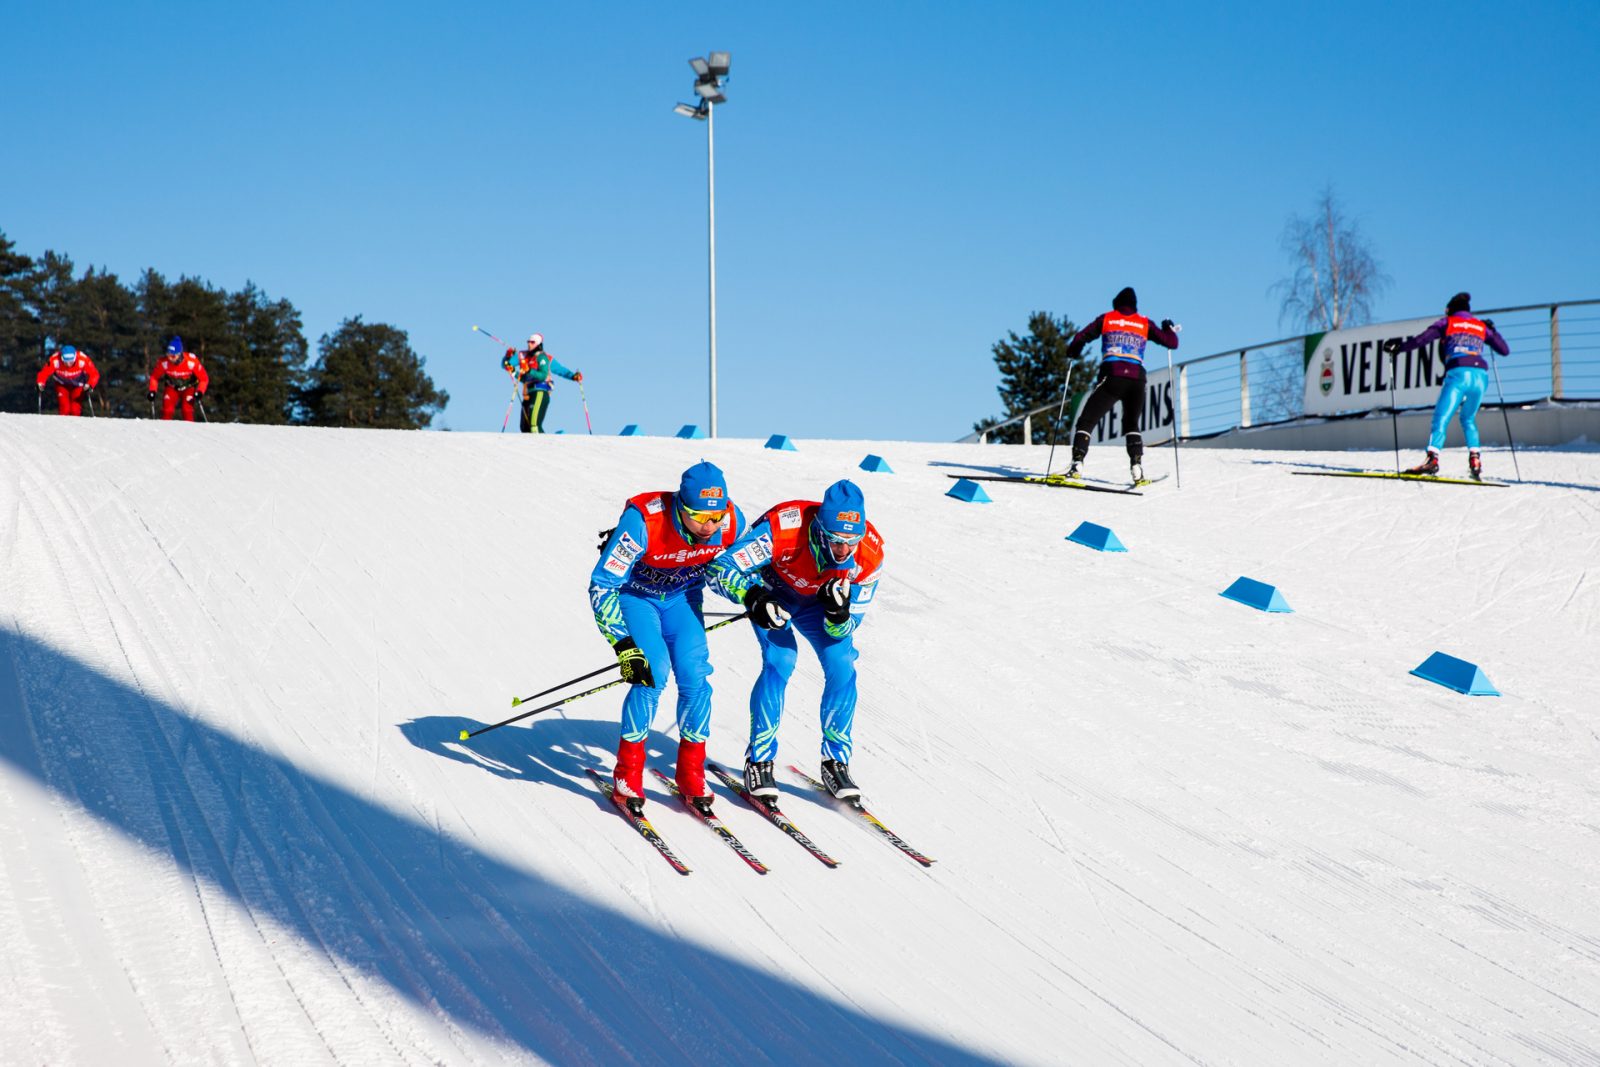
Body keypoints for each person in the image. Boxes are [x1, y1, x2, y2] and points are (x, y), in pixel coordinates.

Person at [708, 479, 884, 802]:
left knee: (842, 664)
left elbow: (846, 629)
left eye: (852, 542)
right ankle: (759, 760)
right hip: (774, 593)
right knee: (782, 658)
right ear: (819, 529)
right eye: (836, 541)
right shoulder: (784, 528)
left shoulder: (869, 554)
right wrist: (752, 596)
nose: (844, 550)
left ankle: (835, 762)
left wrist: (838, 615)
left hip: (818, 605)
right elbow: (720, 568)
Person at [589, 461, 747, 814]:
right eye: (700, 517)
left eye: (717, 517)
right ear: (681, 506)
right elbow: (603, 585)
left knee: (695, 676)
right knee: (652, 673)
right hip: (637, 597)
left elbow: (743, 570)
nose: (710, 526)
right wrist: (624, 646)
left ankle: (691, 772)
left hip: (682, 598)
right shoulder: (644, 521)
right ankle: (628, 773)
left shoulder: (733, 522)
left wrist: (755, 596)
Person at [1384, 292, 1510, 480]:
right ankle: (1475, 459)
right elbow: (1504, 350)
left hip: (1459, 374)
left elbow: (1421, 340)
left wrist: (1399, 348)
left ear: (1451, 309)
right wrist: (1493, 330)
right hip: (1480, 378)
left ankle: (1432, 459)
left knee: (1441, 417)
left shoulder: (1447, 322)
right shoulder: (1480, 326)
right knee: (1468, 418)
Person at [1062, 287, 1180, 483]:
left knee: (1087, 420)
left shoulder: (1107, 319)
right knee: (1131, 423)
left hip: (1113, 376)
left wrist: (1073, 352)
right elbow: (1171, 343)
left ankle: (1077, 464)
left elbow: (1081, 337)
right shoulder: (1144, 322)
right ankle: (1137, 468)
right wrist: (1168, 327)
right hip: (1137, 380)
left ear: (1116, 303)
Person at [503, 333, 581, 433]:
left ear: (538, 344)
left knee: (534, 424)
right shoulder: (523, 355)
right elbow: (507, 365)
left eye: (532, 342)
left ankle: (553, 442)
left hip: (540, 391)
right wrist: (508, 358)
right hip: (528, 393)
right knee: (525, 428)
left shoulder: (544, 357)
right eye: (528, 342)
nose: (529, 344)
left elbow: (557, 371)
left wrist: (573, 376)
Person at [148, 336, 210, 421]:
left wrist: (200, 392)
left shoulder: (191, 362)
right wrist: (152, 391)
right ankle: (164, 428)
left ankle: (189, 428)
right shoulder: (164, 363)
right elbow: (154, 377)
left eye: (173, 356)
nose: (170, 358)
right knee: (167, 410)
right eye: (168, 355)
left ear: (180, 354)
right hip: (172, 387)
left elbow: (204, 378)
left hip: (188, 387)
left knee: (187, 410)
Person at [35, 345, 100, 416]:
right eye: (65, 362)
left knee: (75, 409)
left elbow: (94, 374)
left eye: (71, 362)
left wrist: (90, 385)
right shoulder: (55, 360)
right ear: (61, 358)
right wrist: (40, 383)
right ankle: (63, 422)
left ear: (75, 358)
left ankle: (76, 422)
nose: (68, 364)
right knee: (65, 408)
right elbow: (44, 373)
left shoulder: (82, 359)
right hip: (62, 384)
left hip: (78, 384)